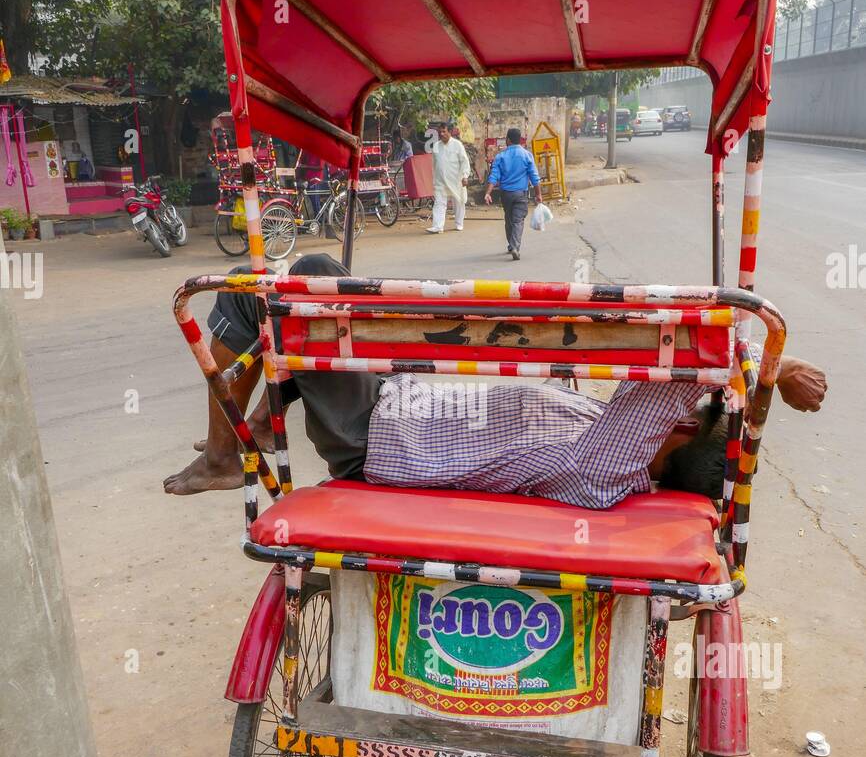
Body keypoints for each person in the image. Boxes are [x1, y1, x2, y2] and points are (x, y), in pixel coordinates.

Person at [164, 253, 827, 505]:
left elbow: (684, 353)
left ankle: (226, 455)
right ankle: (252, 422)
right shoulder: (611, 439)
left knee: (282, 289)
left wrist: (775, 367)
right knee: (320, 303)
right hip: (403, 400)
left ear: (678, 430)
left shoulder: (609, 469)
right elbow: (670, 373)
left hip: (379, 437)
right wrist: (762, 374)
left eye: (687, 412)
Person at [484, 127, 542, 260]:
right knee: (518, 220)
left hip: (506, 194)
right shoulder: (527, 155)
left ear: (508, 140)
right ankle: (515, 246)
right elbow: (534, 177)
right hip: (521, 193)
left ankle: (511, 245)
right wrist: (538, 194)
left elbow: (493, 176)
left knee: (509, 219)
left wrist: (488, 193)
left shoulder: (500, 156)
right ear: (519, 140)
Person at [428, 121, 470, 234]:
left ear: (450, 132)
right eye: (440, 132)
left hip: (456, 180)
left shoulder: (457, 145)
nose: (441, 134)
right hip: (440, 181)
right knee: (439, 203)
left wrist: (465, 176)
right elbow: (434, 164)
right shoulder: (436, 146)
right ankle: (438, 226)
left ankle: (459, 223)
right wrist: (434, 180)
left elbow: (464, 162)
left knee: (458, 202)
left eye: (444, 131)